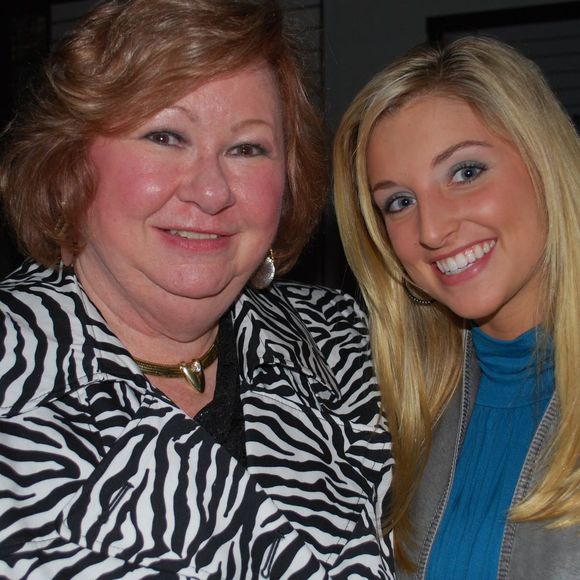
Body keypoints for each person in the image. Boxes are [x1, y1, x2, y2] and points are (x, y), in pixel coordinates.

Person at [0, 1, 395, 577]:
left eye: (247, 148)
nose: (211, 192)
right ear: (67, 165)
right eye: (166, 136)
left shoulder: (347, 343)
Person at [333, 35, 580, 579]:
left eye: (465, 172)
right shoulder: (394, 416)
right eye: (399, 202)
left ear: (544, 162)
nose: (431, 229)